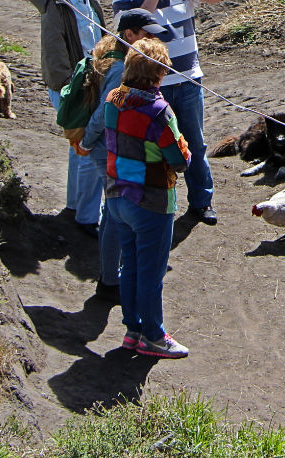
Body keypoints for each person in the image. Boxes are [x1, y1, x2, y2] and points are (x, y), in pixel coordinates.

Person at [113, 0, 224, 225]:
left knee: (195, 145)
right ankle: (162, 204)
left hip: (187, 79)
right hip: (151, 85)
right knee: (159, 147)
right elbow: (129, 28)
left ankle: (202, 202)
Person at [103, 37, 190, 358]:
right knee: (152, 274)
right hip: (151, 200)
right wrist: (184, 145)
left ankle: (133, 331)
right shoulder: (159, 112)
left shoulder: (113, 98)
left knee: (131, 267)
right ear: (158, 74)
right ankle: (153, 336)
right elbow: (181, 161)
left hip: (116, 196)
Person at [78, 9, 167, 302]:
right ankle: (109, 280)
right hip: (107, 148)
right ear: (129, 35)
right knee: (115, 215)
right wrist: (89, 144)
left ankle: (114, 273)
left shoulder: (119, 59)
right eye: (147, 34)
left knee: (115, 211)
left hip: (109, 147)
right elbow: (105, 113)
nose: (152, 39)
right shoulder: (120, 70)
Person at [26, 0, 107, 230]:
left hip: (93, 80)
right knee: (88, 146)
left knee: (79, 147)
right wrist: (68, 87)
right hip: (73, 86)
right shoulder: (55, 1)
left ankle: (75, 205)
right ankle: (87, 218)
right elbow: (53, 49)